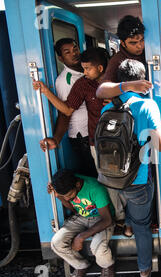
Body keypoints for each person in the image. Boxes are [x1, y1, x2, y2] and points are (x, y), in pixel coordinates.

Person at [102, 59, 161, 277]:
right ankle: (144, 270)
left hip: (111, 178)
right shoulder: (148, 106)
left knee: (131, 206)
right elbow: (160, 144)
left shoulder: (107, 108)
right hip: (137, 180)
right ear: (143, 81)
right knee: (143, 224)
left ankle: (127, 225)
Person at [33, 47, 109, 159]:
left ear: (100, 68)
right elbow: (67, 110)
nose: (84, 72)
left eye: (87, 69)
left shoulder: (117, 78)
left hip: (121, 135)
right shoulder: (82, 84)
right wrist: (45, 91)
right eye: (84, 68)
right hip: (98, 140)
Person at [39, 38, 97, 177]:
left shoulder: (87, 71)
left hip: (94, 131)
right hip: (82, 136)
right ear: (61, 58)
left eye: (75, 49)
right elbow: (65, 112)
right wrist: (57, 139)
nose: (74, 53)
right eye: (67, 52)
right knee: (94, 173)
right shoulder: (65, 80)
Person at [49, 169, 115, 277]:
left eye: (69, 195)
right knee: (56, 243)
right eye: (65, 196)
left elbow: (107, 220)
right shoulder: (67, 186)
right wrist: (59, 196)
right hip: (82, 217)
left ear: (78, 184)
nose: (67, 198)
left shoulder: (95, 188)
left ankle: (107, 266)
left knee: (97, 247)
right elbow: (74, 209)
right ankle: (81, 266)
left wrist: (81, 237)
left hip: (101, 219)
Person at [96, 15, 152, 99]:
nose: (140, 46)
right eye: (133, 43)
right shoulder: (117, 60)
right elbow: (101, 91)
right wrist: (129, 86)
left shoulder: (151, 51)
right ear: (122, 43)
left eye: (142, 40)